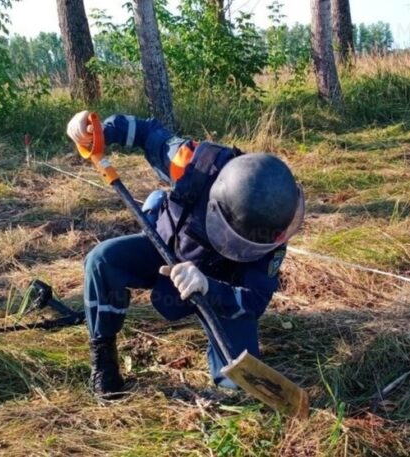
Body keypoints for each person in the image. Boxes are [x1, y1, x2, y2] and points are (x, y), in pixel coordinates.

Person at [67, 111, 305, 398]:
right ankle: (103, 357)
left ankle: (226, 371)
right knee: (102, 259)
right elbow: (145, 132)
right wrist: (97, 132)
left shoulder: (276, 224)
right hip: (166, 248)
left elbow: (254, 300)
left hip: (219, 286)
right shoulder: (195, 164)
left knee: (237, 385)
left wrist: (208, 287)